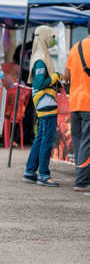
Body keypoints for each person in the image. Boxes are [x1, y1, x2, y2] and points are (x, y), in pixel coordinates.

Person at [23, 26, 61, 187]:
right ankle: (44, 175)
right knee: (47, 138)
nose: (53, 40)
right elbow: (39, 83)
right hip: (46, 102)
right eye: (51, 37)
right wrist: (55, 77)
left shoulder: (40, 55)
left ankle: (30, 171)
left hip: (42, 102)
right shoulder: (41, 58)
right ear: (45, 37)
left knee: (40, 137)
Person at [64, 22, 90, 192]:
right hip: (89, 102)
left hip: (75, 102)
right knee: (87, 142)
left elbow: (66, 77)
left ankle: (81, 174)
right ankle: (81, 182)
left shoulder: (75, 48)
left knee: (80, 141)